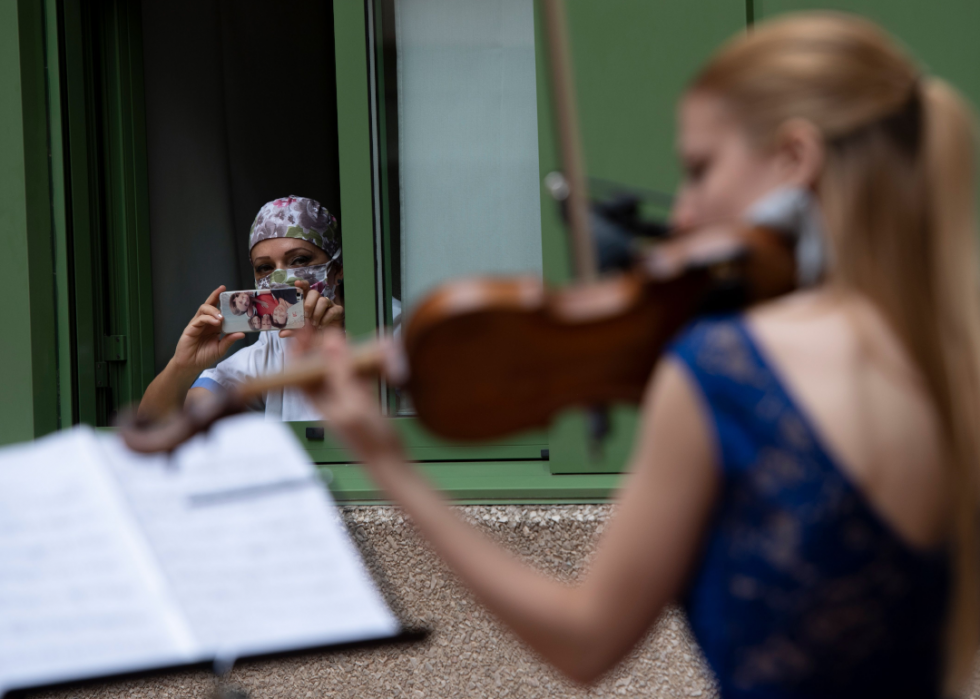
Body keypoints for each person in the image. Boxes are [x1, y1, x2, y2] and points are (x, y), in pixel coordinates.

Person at [298, 13, 980, 698]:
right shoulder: (958, 357)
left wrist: (389, 465)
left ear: (793, 160)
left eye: (700, 168)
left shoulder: (726, 369)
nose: (681, 213)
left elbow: (585, 640)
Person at [138, 195, 345, 421]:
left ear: (338, 267)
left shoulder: (386, 321)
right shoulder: (274, 346)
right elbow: (153, 422)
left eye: (299, 260)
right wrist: (182, 367)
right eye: (265, 267)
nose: (279, 278)